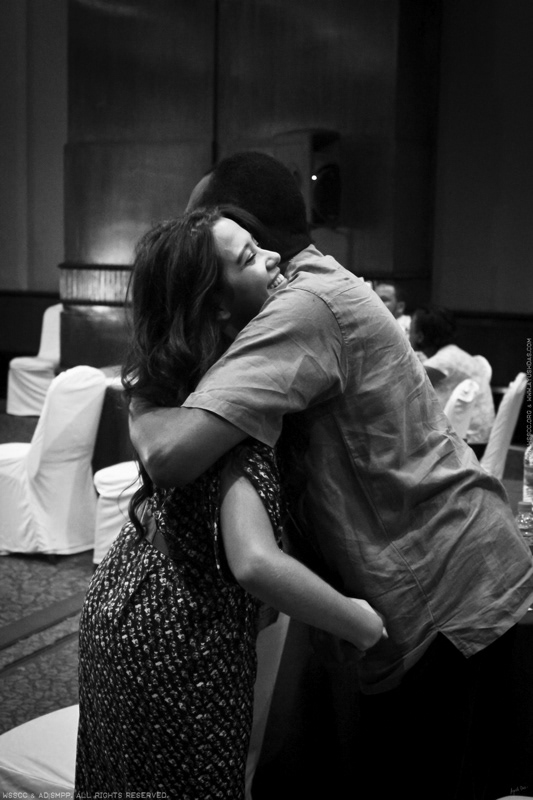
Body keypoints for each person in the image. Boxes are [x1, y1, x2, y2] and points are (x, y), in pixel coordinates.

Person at [129, 152, 533, 800]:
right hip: (439, 571)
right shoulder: (309, 286)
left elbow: (169, 453)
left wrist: (141, 389)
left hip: (445, 592)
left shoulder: (302, 307)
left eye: (205, 229)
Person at [74, 206, 385, 799]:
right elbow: (254, 562)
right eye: (249, 257)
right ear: (216, 307)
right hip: (173, 639)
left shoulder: (182, 384)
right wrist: (361, 623)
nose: (273, 257)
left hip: (120, 605)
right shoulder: (229, 410)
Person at [410, 304, 496, 457]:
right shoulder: (453, 354)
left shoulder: (443, 361)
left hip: (465, 445)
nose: (406, 335)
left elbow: (403, 384)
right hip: (479, 441)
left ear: (420, 336)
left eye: (409, 330)